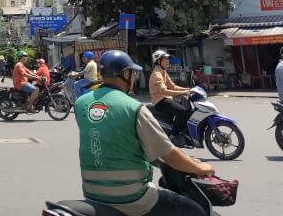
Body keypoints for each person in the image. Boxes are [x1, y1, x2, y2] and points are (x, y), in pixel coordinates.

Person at [74, 50, 213, 216]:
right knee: (194, 211)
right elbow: (168, 154)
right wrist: (199, 168)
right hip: (131, 196)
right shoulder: (134, 107)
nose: (134, 78)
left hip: (91, 193)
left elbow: (112, 140)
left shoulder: (80, 104)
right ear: (125, 74)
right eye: (132, 73)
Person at [149, 50, 191, 141]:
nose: (168, 61)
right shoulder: (157, 74)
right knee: (182, 111)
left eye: (168, 59)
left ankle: (184, 130)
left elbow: (172, 86)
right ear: (159, 61)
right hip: (160, 101)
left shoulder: (163, 72)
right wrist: (183, 92)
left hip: (166, 98)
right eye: (166, 59)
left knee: (186, 103)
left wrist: (187, 90)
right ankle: (174, 135)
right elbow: (164, 91)